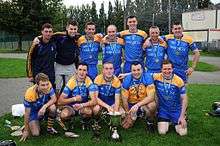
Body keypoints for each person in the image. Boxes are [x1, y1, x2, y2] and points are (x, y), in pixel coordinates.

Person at [32, 20, 81, 94]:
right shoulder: (59, 36)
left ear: (77, 29)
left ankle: (67, 103)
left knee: (71, 86)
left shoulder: (78, 37)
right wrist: (38, 38)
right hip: (58, 65)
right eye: (71, 29)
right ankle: (56, 101)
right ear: (67, 28)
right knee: (57, 86)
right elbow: (48, 35)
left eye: (75, 29)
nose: (73, 31)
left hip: (71, 65)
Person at [58, 62, 98, 132]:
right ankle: (70, 122)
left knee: (88, 112)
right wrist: (75, 99)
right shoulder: (71, 82)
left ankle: (85, 122)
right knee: (64, 115)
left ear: (87, 72)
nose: (82, 72)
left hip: (83, 106)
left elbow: (94, 101)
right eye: (80, 69)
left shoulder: (89, 81)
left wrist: (82, 105)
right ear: (76, 70)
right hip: (71, 106)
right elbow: (60, 101)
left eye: (84, 70)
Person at [153, 60, 188, 136]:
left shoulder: (179, 80)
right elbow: (141, 74)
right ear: (161, 69)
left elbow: (184, 99)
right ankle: (168, 121)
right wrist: (126, 75)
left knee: (182, 133)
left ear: (172, 69)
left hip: (176, 110)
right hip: (163, 110)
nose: (167, 71)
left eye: (169, 69)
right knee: (162, 132)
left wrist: (182, 116)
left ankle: (183, 117)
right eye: (165, 69)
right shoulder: (156, 77)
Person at [20, 73, 57, 141]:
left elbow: (54, 99)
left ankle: (49, 129)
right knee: (36, 134)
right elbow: (27, 114)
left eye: (47, 84)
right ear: (37, 85)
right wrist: (26, 130)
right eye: (43, 85)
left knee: (53, 108)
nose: (46, 87)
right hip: (33, 112)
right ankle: (30, 124)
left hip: (43, 107)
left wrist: (44, 107)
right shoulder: (29, 93)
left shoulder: (49, 85)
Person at [121, 61, 156, 131]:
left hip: (143, 104)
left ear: (142, 70)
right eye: (134, 70)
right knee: (126, 126)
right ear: (131, 71)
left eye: (138, 70)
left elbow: (151, 97)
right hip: (131, 105)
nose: (136, 72)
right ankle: (136, 116)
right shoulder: (127, 79)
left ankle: (150, 122)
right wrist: (128, 114)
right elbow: (124, 100)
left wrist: (137, 105)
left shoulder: (147, 77)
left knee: (152, 105)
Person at [93, 61, 122, 140]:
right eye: (106, 69)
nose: (109, 71)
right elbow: (95, 98)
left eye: (111, 68)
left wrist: (115, 112)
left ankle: (113, 126)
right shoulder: (97, 79)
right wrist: (107, 106)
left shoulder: (117, 81)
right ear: (102, 70)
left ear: (113, 70)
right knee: (96, 109)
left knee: (121, 113)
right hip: (100, 102)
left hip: (111, 103)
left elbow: (117, 100)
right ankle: (96, 122)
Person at [26, 23, 56, 88]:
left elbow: (62, 34)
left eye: (50, 32)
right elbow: (29, 59)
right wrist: (30, 75)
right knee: (38, 95)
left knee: (51, 94)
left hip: (50, 75)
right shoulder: (36, 44)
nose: (48, 33)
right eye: (46, 31)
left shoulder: (54, 42)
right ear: (42, 32)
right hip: (38, 74)